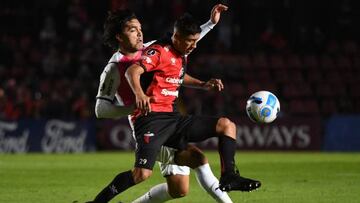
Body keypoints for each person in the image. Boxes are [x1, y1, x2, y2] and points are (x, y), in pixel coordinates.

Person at [91, 4, 233, 203]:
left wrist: (210, 23)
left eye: (140, 29)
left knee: (179, 189)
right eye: (133, 30)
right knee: (197, 159)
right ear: (119, 36)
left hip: (167, 118)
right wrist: (134, 106)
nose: (140, 34)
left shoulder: (150, 49)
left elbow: (180, 54)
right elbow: (101, 110)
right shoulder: (114, 68)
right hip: (149, 125)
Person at [125, 12, 261, 194]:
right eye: (191, 41)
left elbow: (178, 77)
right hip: (152, 119)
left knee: (226, 125)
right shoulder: (159, 51)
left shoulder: (181, 52)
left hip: (173, 119)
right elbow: (132, 71)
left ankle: (229, 175)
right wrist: (139, 94)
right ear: (177, 37)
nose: (194, 45)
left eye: (196, 41)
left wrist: (203, 85)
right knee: (142, 174)